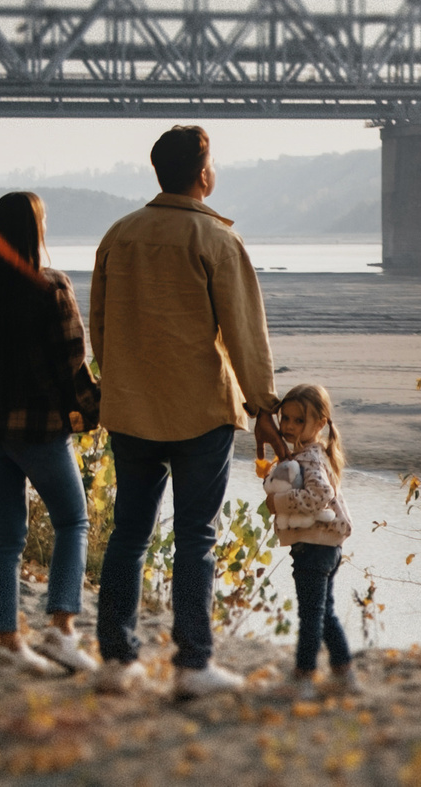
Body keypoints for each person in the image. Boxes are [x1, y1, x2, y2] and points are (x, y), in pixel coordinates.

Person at [89, 125, 283, 699]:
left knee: (129, 533)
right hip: (200, 408)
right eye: (212, 163)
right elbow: (245, 333)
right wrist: (263, 406)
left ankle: (116, 660)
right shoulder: (217, 240)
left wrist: (119, 383)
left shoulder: (117, 236)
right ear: (203, 175)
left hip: (131, 409)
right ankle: (193, 665)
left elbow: (100, 326)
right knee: (196, 534)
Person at [0, 189, 102, 679]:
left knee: (7, 537)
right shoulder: (50, 286)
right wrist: (93, 409)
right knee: (72, 522)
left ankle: (8, 644)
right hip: (38, 430)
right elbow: (72, 364)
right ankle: (61, 632)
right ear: (34, 231)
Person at [261, 381, 354, 687]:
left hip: (314, 546)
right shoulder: (313, 454)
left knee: (311, 616)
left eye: (299, 421)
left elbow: (319, 496)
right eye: (284, 418)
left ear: (320, 424)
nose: (288, 426)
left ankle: (304, 677)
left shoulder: (308, 459)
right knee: (324, 612)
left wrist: (277, 502)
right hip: (327, 544)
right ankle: (344, 672)